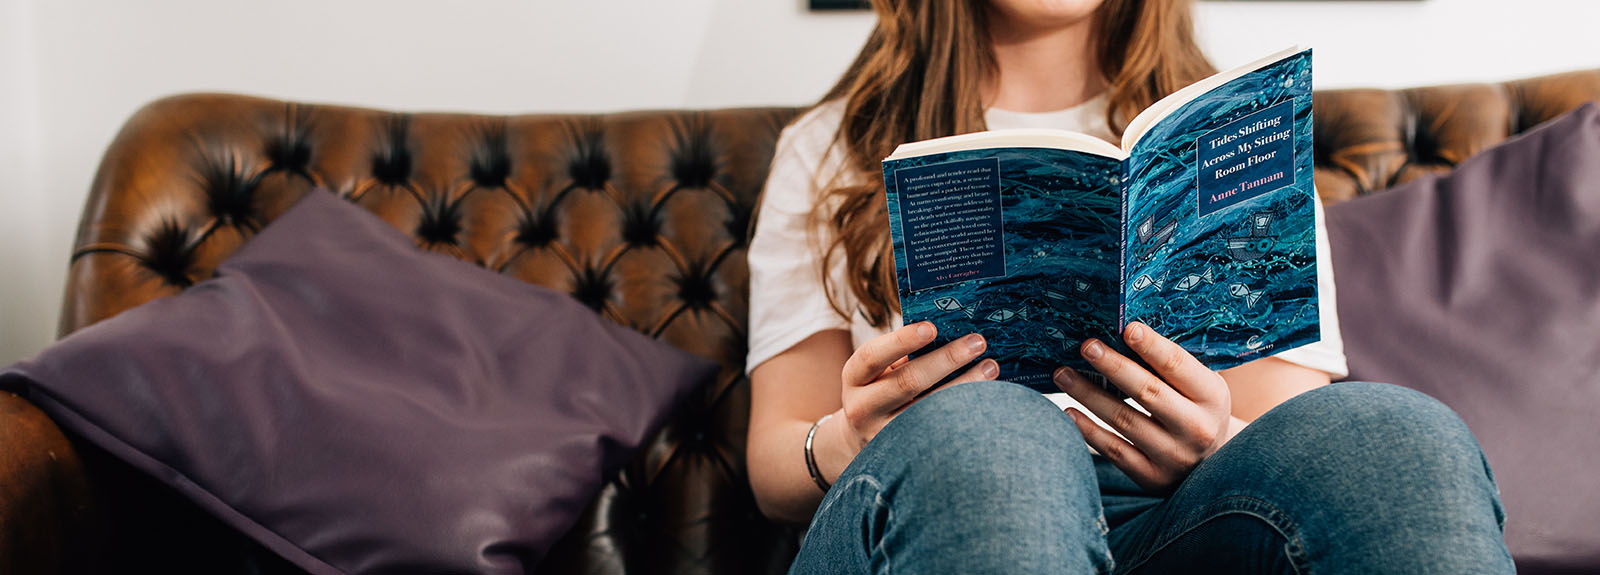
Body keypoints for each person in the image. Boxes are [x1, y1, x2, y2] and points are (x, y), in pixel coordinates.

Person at [744, 0, 1513, 573]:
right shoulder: (829, 149)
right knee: (998, 434)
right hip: (932, 506)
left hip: (1169, 522)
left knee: (1395, 433)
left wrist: (1213, 441)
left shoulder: (1240, 133)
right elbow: (774, 467)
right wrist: (846, 436)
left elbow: (1293, 437)